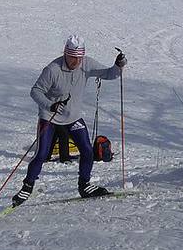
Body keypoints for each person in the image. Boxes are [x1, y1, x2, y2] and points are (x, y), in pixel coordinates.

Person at [12, 35, 127, 206]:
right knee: (42, 154)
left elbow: (109, 74)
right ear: (65, 53)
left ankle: (84, 185)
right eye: (73, 57)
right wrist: (50, 105)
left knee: (87, 151)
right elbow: (35, 91)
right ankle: (27, 187)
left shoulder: (86, 64)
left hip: (73, 117)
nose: (76, 61)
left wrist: (118, 66)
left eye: (79, 57)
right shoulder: (53, 69)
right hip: (50, 117)